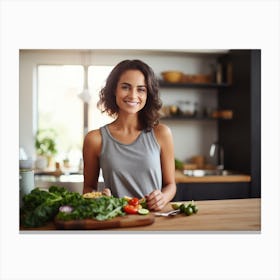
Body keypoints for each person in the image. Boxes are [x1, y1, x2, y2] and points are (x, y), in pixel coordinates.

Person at [82, 59, 176, 211]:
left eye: (141, 89)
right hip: (115, 220)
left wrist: (163, 197)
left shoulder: (162, 133)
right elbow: (88, 188)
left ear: (148, 94)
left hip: (153, 220)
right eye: (125, 87)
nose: (133, 95)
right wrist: (98, 197)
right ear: (114, 90)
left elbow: (170, 185)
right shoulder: (95, 139)